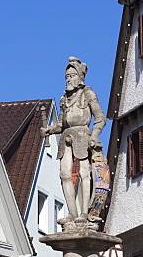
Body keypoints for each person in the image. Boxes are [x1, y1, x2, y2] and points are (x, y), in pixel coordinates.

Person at [41, 57, 106, 219]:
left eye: (71, 76)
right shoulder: (65, 99)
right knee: (64, 174)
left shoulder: (88, 94)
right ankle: (72, 212)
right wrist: (49, 129)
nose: (68, 79)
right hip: (66, 137)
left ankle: (84, 213)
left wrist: (95, 135)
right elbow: (62, 123)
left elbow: (100, 118)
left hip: (83, 135)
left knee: (85, 173)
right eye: (67, 77)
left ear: (80, 77)